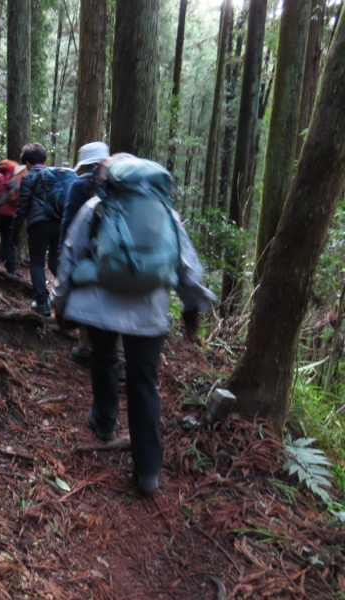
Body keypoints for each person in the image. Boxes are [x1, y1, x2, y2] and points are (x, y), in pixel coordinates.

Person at [50, 153, 216, 494]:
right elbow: (187, 263)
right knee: (144, 382)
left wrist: (59, 302)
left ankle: (105, 420)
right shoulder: (165, 212)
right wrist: (192, 304)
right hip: (149, 312)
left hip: (100, 306)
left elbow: (71, 253)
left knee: (104, 359)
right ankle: (148, 470)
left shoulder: (96, 207)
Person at [61, 141, 111, 368]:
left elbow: (69, 222)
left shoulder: (79, 185)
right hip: (118, 253)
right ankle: (118, 359)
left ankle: (85, 349)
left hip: (89, 252)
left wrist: (64, 251)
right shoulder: (123, 184)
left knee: (87, 292)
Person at [10, 142, 59, 316]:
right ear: (44, 160)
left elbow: (22, 207)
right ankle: (67, 299)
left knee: (37, 262)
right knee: (55, 262)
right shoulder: (56, 176)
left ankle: (43, 304)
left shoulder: (29, 177)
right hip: (59, 224)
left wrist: (13, 231)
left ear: (28, 163)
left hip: (39, 224)